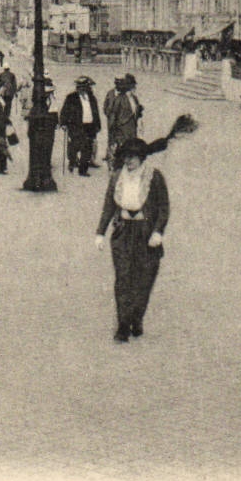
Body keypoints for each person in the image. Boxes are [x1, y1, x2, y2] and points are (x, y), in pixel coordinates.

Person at [95, 138, 170, 343]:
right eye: (125, 158)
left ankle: (136, 317)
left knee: (143, 279)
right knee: (123, 278)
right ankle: (122, 324)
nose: (128, 162)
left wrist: (158, 232)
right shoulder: (117, 177)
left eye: (132, 158)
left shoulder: (154, 177)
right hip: (123, 233)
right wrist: (100, 233)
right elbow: (109, 205)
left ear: (141, 158)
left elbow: (164, 208)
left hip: (146, 236)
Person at [59, 76, 102, 177]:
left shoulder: (92, 98)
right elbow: (64, 111)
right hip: (76, 126)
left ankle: (83, 170)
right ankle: (72, 162)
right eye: (81, 87)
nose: (84, 89)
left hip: (89, 126)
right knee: (75, 145)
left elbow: (95, 112)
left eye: (86, 87)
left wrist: (97, 125)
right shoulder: (71, 98)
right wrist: (64, 123)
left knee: (87, 148)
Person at [106, 74, 143, 166]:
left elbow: (137, 113)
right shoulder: (120, 98)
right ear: (128, 86)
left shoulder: (134, 98)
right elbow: (113, 114)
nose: (134, 87)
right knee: (121, 150)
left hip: (132, 129)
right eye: (132, 85)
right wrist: (113, 130)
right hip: (121, 129)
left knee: (131, 149)